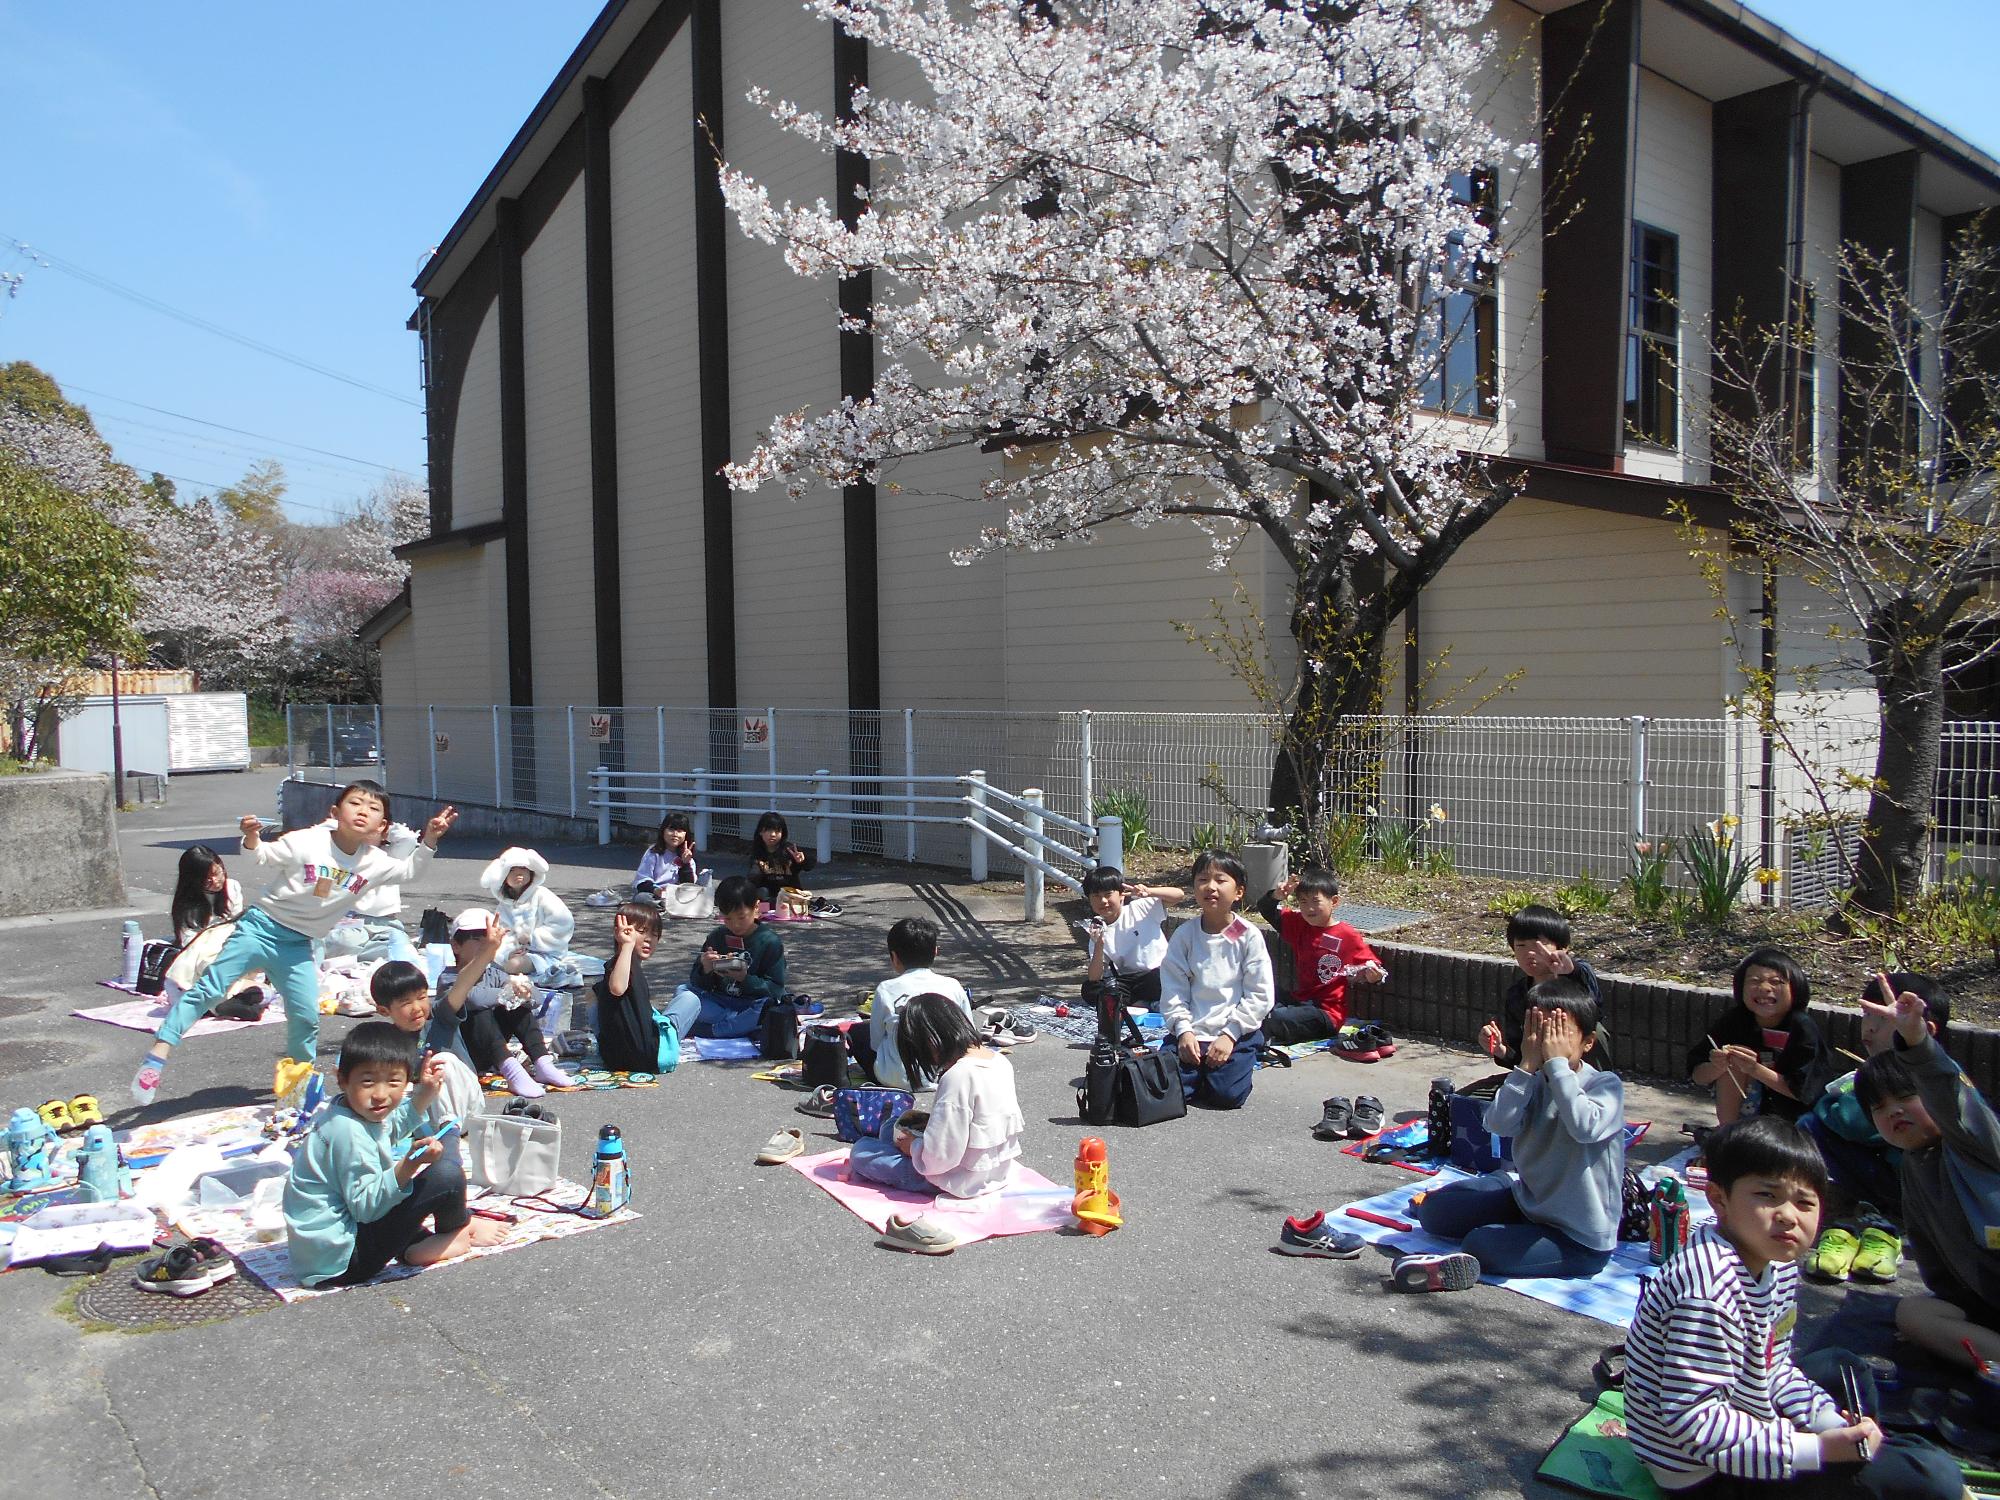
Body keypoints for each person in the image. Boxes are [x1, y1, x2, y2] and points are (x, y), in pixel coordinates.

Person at [1624, 1116, 1962, 1498]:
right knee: (1930, 1477)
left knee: (1842, 1368)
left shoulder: (1777, 1260)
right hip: (1699, 1472)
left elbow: (1774, 1365)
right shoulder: (1706, 1291)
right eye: (1767, 1195)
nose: (1788, 1215)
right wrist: (1816, 1449)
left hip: (1741, 1409)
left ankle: (1858, 1454)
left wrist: (1828, 1422)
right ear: (1719, 1198)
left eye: (1805, 1202)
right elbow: (1695, 1424)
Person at [133, 783, 456, 1106]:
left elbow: (410, 872)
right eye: (355, 803)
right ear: (335, 812)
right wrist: (251, 837)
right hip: (260, 928)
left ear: (382, 826)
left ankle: (297, 1089)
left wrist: (430, 839)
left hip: (299, 945)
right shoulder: (308, 841)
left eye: (373, 809)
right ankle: (158, 1055)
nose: (362, 811)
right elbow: (260, 856)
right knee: (210, 989)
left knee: (305, 1016)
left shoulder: (374, 861)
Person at [1396, 976, 1623, 1289]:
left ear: (1587, 1042)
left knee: (1480, 1245)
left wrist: (1557, 1067)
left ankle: (1506, 1225)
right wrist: (1525, 1067)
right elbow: (1498, 1125)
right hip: (1528, 1203)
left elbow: (1585, 1127)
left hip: (1579, 1236)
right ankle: (1502, 1188)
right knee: (1433, 1212)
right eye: (1540, 1030)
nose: (1548, 1041)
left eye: (1559, 1032)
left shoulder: (1605, 1085)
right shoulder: (1531, 1077)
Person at [282, 1021, 505, 1289]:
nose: (380, 1095)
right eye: (368, 1082)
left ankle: (419, 1243)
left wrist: (424, 1094)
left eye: (393, 1082)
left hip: (322, 1255)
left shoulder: (345, 1111)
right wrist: (409, 1165)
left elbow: (389, 1127)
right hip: (345, 1262)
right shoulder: (349, 1132)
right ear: (341, 1079)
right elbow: (366, 1208)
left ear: (406, 1081)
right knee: (446, 1173)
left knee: (414, 1186)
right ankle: (456, 1230)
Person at [1855, 977, 2000, 1377]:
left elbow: (1948, 1092)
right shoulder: (1914, 1167)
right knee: (1914, 1313)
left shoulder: (1975, 1141)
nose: (1894, 1113)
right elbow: (1937, 1270)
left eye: (1905, 1099)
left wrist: (1916, 1041)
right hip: (1988, 1306)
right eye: (1880, 1109)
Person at [1800, 974, 1951, 1282]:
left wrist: (1830, 1103)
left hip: (1926, 1185)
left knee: (1813, 1124)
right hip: (1907, 1173)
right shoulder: (1881, 1068)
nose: (1869, 1026)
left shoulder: (1929, 1075)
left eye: (1882, 1018)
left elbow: (1853, 1122)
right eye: (1866, 1015)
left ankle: (1883, 1211)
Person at [849, 992, 1025, 1201]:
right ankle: (901, 1146)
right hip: (996, 1170)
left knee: (860, 1151)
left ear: (931, 1042)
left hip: (957, 1180)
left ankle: (896, 1152)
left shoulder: (958, 1076)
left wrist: (913, 1148)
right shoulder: (998, 1060)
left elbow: (939, 1159)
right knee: (891, 1126)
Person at [1159, 850, 1274, 1110]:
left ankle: (1223, 1071)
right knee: (1166, 1090)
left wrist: (1229, 1035)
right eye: (1202, 880)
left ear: (1239, 892)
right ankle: (1195, 1075)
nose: (1210, 887)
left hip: (1233, 1034)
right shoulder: (1184, 935)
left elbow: (1259, 994)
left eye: (1220, 880)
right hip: (1190, 1034)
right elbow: (1173, 988)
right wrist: (1183, 1030)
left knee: (1226, 1095)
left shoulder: (1247, 935)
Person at [1689, 949, 1828, 1126]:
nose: (1764, 988)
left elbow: (1803, 1092)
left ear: (1795, 988)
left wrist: (1755, 1069)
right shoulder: (1736, 1019)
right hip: (1748, 1116)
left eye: (1776, 982)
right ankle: (1727, 1135)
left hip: (1797, 1120)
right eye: (1754, 981)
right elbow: (1698, 1076)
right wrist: (1717, 1066)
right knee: (1733, 1062)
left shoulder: (1802, 1026)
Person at [1254, 867, 1386, 1045]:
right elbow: (1266, 909)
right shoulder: (1299, 924)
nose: (1309, 908)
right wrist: (1276, 895)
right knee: (1257, 993)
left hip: (1326, 1013)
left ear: (1334, 901)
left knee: (1276, 1017)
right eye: (1303, 901)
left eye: (1316, 901)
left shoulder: (1346, 934)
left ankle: (1264, 1032)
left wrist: (1374, 976)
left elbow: (1373, 968)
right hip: (1300, 1000)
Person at [1480, 905, 1604, 1067]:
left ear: (1562, 948)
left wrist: (1570, 971)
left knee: (1598, 1031)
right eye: (1521, 946)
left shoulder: (1577, 976)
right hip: (1538, 1079)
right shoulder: (1517, 995)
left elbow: (1597, 1009)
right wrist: (1501, 1050)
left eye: (1539, 945)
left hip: (1582, 1074)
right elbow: (1522, 1059)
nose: (1530, 953)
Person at [367, 960, 484, 1124]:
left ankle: (450, 1132)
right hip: (425, 1116)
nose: (417, 1007)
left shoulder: (440, 1017)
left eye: (421, 997)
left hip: (467, 1108)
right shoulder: (388, 1042)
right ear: (384, 1010)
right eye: (406, 1003)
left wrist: (488, 950)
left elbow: (463, 984)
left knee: (442, 1062)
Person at [671, 875, 787, 1039]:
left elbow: (776, 990)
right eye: (727, 918)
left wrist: (745, 978)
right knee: (683, 991)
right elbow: (699, 983)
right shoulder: (717, 936)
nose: (735, 924)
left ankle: (710, 1030)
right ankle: (732, 1025)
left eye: (741, 917)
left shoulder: (769, 942)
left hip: (750, 1005)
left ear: (756, 908)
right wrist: (706, 968)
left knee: (766, 1008)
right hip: (721, 1003)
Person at [864, 916, 973, 1089]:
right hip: (947, 1076)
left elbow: (876, 1043)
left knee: (858, 1033)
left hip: (895, 1078)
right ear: (935, 952)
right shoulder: (953, 985)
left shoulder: (886, 988)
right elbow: (968, 1036)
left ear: (894, 956)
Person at [160, 845, 265, 1022]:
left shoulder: (232, 887)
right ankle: (233, 1001)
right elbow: (190, 944)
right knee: (206, 968)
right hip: (202, 954)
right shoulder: (188, 905)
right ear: (193, 880)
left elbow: (237, 925)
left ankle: (232, 1001)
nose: (216, 881)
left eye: (218, 873)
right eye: (207, 879)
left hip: (230, 945)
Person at [595, 901, 698, 1074]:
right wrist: (627, 945)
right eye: (641, 932)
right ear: (619, 933)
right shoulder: (623, 965)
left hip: (613, 1059)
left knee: (595, 994)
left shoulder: (617, 966)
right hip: (648, 1055)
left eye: (655, 934)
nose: (649, 939)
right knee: (690, 998)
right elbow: (618, 988)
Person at [1079, 866, 1183, 1017]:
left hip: (1157, 974)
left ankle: (1140, 1003)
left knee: (1163, 979)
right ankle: (1144, 1003)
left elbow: (1178, 895)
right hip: (1128, 981)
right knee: (1090, 989)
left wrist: (1149, 891)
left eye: (1108, 894)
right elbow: (1095, 978)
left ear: (1121, 895)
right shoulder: (1098, 929)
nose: (1103, 901)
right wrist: (1099, 944)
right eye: (1096, 896)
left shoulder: (1140, 907)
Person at [326, 816, 424, 966]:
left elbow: (408, 839)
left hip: (387, 922)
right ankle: (366, 954)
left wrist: (383, 829)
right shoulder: (340, 858)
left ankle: (361, 956)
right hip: (353, 921)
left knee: (402, 947)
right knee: (344, 942)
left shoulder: (391, 855)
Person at [478, 847, 576, 982]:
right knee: (488, 959)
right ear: (503, 877)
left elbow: (563, 923)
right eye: (512, 870)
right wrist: (508, 952)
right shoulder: (504, 905)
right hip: (520, 952)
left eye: (523, 869)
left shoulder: (542, 895)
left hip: (546, 952)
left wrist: (531, 938)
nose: (519, 874)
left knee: (513, 966)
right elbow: (503, 932)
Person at [748, 812, 811, 908]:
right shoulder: (757, 852)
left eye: (777, 831)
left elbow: (809, 866)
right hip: (768, 895)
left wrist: (802, 861)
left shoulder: (789, 850)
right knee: (761, 892)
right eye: (768, 830)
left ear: (782, 833)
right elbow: (752, 879)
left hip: (789, 893)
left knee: (789, 898)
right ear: (760, 832)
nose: (772, 834)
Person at [634, 813, 701, 896]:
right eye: (671, 830)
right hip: (654, 893)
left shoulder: (687, 856)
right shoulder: (654, 852)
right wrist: (656, 890)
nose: (675, 834)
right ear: (663, 831)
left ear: (685, 834)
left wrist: (685, 864)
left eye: (680, 831)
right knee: (642, 897)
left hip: (677, 896)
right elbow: (642, 880)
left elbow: (689, 886)